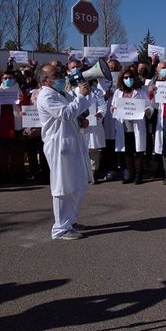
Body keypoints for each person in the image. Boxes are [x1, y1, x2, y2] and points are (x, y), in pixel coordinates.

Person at [36, 64, 92, 240]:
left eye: (61, 73)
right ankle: (60, 228)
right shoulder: (46, 95)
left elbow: (73, 114)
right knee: (62, 187)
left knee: (77, 184)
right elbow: (65, 114)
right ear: (45, 80)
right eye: (56, 75)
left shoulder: (62, 93)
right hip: (59, 146)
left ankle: (70, 220)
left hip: (72, 143)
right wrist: (81, 96)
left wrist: (81, 120)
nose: (61, 77)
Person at [113, 69, 153, 185]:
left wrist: (147, 110)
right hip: (124, 126)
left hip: (137, 125)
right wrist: (113, 109)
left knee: (139, 151)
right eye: (125, 78)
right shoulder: (118, 93)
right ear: (122, 79)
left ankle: (139, 176)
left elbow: (149, 106)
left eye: (130, 77)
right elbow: (114, 106)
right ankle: (129, 175)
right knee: (128, 152)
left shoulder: (140, 92)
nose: (128, 80)